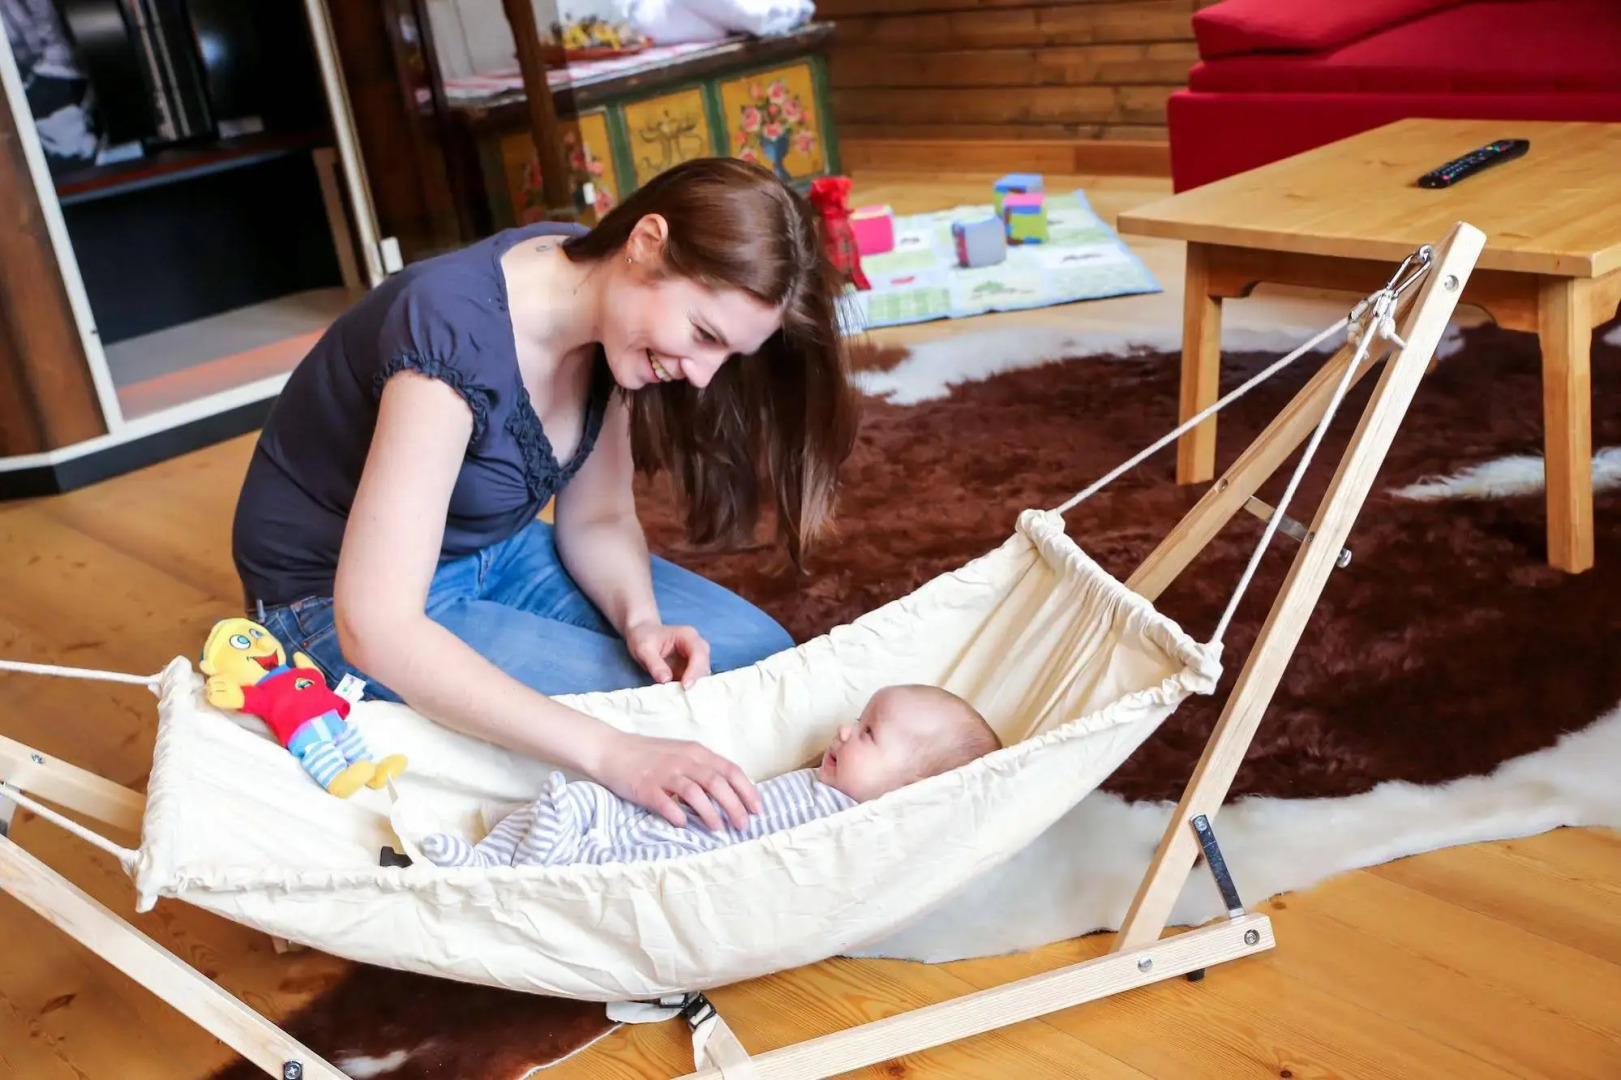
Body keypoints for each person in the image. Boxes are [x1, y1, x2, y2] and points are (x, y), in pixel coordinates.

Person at [229, 157, 861, 836]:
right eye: (704, 335)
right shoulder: (449, 336)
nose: (704, 376)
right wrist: (614, 754)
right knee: (658, 727)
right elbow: (376, 628)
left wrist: (640, 620)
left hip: (487, 546)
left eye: (726, 355)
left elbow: (599, 518)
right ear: (647, 242)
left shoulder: (604, 299)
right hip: (332, 604)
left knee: (763, 659)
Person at [417, 685, 1002, 868]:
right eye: (857, 719)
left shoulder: (847, 825)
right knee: (585, 801)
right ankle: (484, 863)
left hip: (689, 853)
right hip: (671, 818)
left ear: (909, 794)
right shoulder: (824, 784)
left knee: (610, 857)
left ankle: (527, 865)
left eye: (869, 733)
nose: (845, 731)